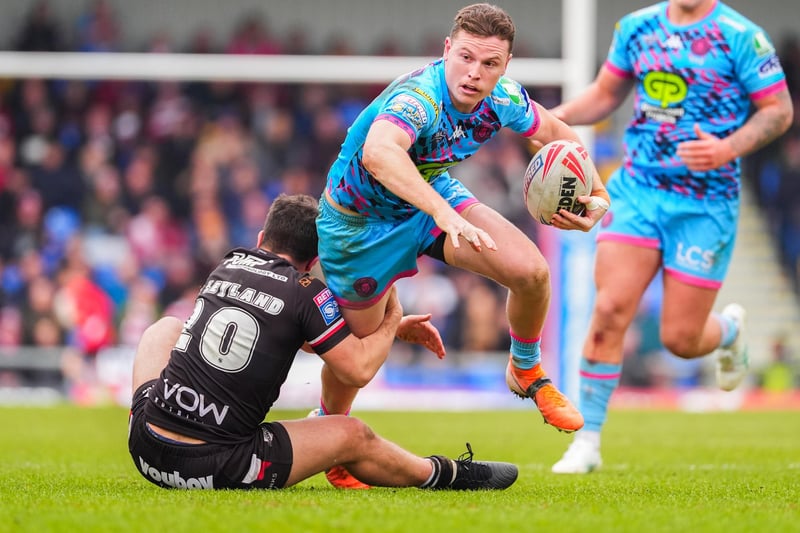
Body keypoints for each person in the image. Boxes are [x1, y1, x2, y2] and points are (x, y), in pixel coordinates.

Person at [313, 2, 611, 487]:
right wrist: (442, 212)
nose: (475, 74)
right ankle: (332, 440)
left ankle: (526, 370)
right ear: (447, 50)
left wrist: (597, 195)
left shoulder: (504, 98)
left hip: (431, 201)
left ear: (505, 66)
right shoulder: (419, 99)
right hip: (359, 226)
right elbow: (379, 152)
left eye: (490, 64)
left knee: (532, 273)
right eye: (466, 58)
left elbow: (559, 134)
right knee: (358, 364)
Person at [547, 0, 794, 474]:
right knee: (609, 309)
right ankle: (587, 441)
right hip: (637, 191)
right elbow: (604, 94)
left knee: (680, 339)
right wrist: (549, 118)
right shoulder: (637, 27)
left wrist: (728, 147)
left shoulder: (743, 36)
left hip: (705, 204)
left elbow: (778, 111)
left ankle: (730, 331)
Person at [128, 193, 518, 491]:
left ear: (263, 237)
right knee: (351, 433)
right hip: (215, 466)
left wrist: (391, 331)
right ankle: (446, 474)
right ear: (314, 260)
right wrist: (392, 319)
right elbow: (358, 368)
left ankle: (142, 414)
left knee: (164, 329)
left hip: (146, 447)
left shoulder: (227, 264)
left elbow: (282, 331)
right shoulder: (305, 292)